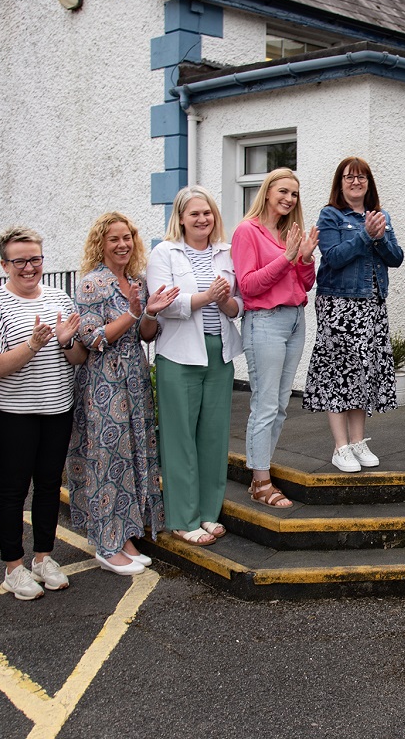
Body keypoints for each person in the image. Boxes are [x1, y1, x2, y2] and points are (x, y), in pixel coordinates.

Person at [67, 212, 180, 574]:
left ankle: (127, 535)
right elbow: (92, 338)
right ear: (100, 244)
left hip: (134, 378)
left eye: (127, 237)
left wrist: (147, 313)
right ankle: (107, 542)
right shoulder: (91, 285)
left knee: (132, 457)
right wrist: (133, 314)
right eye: (113, 239)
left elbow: (147, 334)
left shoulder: (137, 280)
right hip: (103, 383)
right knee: (108, 457)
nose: (122, 244)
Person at [0, 226, 86, 600]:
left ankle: (43, 558)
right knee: (13, 488)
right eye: (19, 261)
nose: (28, 267)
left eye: (35, 259)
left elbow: (78, 357)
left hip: (57, 407)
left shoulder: (60, 298)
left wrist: (66, 340)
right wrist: (33, 344)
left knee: (48, 486)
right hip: (13, 412)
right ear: (4, 264)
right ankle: (13, 567)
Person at [148, 186, 242, 547]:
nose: (203, 219)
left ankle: (207, 513)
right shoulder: (165, 253)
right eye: (194, 214)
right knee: (180, 439)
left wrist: (229, 304)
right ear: (181, 219)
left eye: (208, 213)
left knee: (214, 437)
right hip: (180, 354)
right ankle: (182, 518)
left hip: (218, 353)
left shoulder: (226, 253)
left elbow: (238, 303)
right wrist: (207, 297)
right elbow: (163, 304)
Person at [303, 157, 403, 472]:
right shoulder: (330, 214)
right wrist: (364, 236)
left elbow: (396, 258)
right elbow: (332, 257)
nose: (356, 182)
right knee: (338, 376)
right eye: (350, 177)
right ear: (340, 182)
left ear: (369, 183)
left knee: (362, 375)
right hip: (339, 304)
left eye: (362, 177)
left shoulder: (381, 215)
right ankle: (340, 447)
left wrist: (380, 235)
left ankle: (358, 442)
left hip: (372, 305)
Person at [234, 168, 317, 504]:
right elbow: (249, 285)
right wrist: (286, 258)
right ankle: (261, 482)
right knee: (266, 404)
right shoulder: (247, 231)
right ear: (267, 192)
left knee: (280, 405)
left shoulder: (288, 233)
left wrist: (306, 258)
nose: (288, 199)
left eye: (294, 194)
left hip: (295, 319)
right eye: (283, 191)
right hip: (265, 321)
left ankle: (261, 471)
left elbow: (305, 283)